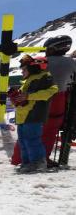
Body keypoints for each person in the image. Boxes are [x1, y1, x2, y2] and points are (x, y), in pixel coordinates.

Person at [8, 55, 58, 173]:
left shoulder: (44, 77)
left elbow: (52, 91)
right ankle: (27, 163)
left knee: (32, 140)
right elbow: (24, 99)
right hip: (23, 117)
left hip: (33, 115)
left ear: (34, 67)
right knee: (23, 141)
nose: (22, 71)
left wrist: (28, 96)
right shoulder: (28, 81)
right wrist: (15, 98)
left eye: (24, 69)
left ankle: (38, 163)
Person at [42, 36, 76, 165]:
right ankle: (44, 157)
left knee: (36, 129)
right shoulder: (71, 62)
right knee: (51, 130)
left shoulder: (42, 62)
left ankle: (29, 157)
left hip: (39, 99)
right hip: (60, 98)